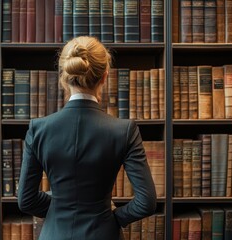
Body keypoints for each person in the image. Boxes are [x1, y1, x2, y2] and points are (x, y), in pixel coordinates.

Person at [18, 36, 157, 240]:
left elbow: (26, 200)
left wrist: (60, 208)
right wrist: (114, 217)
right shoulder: (124, 130)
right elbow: (147, 201)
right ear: (104, 77)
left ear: (64, 77)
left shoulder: (38, 129)